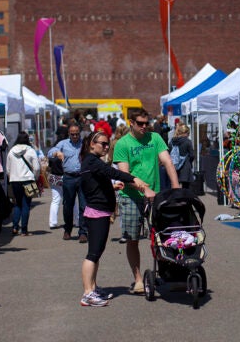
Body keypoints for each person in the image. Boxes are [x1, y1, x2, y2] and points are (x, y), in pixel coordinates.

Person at [78, 130, 149, 306]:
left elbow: (95, 185)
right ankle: (87, 293)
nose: (106, 147)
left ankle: (93, 288)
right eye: (103, 143)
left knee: (97, 252)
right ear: (92, 144)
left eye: (107, 144)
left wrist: (112, 188)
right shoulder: (92, 161)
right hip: (97, 212)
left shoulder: (91, 161)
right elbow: (112, 172)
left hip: (99, 210)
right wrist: (134, 179)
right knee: (93, 253)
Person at [113, 108, 176, 293]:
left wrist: (176, 187)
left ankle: (164, 271)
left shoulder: (155, 138)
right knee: (133, 239)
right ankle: (138, 279)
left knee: (161, 236)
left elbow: (167, 162)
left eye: (146, 123)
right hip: (131, 197)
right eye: (140, 123)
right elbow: (124, 174)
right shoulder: (122, 144)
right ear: (131, 123)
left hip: (155, 196)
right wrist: (144, 189)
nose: (144, 126)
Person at [48, 121, 88, 242]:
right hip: (69, 178)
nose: (75, 136)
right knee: (68, 206)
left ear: (80, 133)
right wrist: (56, 153)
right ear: (69, 134)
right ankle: (68, 229)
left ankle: (83, 232)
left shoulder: (84, 144)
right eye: (72, 134)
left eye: (77, 134)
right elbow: (50, 153)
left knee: (83, 205)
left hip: (82, 177)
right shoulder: (63, 143)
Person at [6, 131, 41, 236]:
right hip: (28, 180)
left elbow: (8, 169)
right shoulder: (31, 150)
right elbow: (37, 168)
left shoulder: (11, 151)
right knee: (26, 205)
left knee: (18, 204)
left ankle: (15, 227)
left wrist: (12, 177)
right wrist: (35, 177)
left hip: (15, 180)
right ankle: (24, 230)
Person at [49, 124, 70, 230]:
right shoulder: (69, 147)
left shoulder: (54, 148)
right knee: (71, 200)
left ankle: (53, 222)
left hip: (54, 176)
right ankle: (76, 220)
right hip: (67, 176)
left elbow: (49, 163)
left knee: (55, 200)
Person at [169, 123, 195, 190]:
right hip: (185, 166)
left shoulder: (172, 141)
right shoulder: (188, 141)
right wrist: (189, 161)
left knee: (175, 186)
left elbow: (169, 153)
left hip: (174, 166)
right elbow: (192, 155)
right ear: (186, 133)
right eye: (188, 133)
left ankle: (176, 196)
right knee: (186, 187)